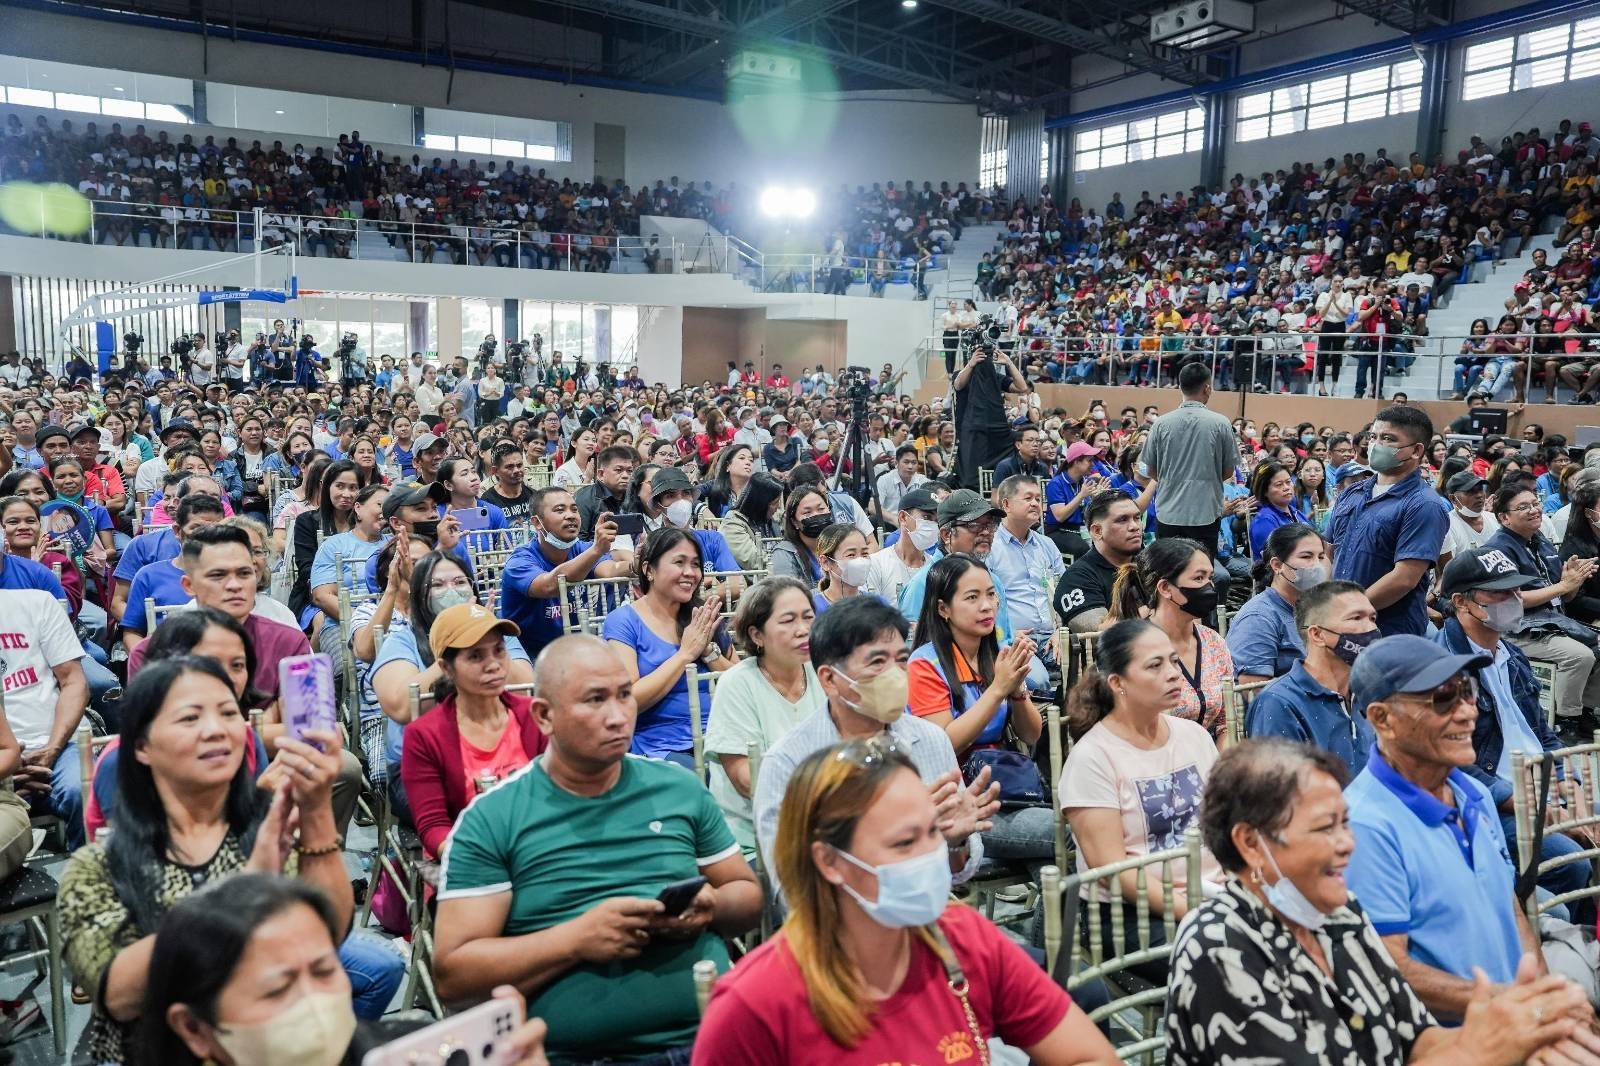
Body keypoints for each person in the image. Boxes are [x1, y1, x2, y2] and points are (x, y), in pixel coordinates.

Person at [1167, 738, 1600, 1066]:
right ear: (1250, 843)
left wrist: (1516, 1027)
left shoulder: (1338, 916)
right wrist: (1480, 1049)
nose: (1347, 845)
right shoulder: (1219, 944)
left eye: (1346, 824)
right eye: (1324, 829)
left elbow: (1418, 1038)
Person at [432, 634, 762, 1062]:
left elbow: (748, 896)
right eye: (595, 700)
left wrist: (710, 906)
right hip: (579, 1056)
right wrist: (574, 940)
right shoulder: (491, 819)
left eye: (625, 695)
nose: (617, 716)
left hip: (709, 1039)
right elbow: (453, 974)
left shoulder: (678, 788)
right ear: (544, 716)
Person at [695, 737, 1119, 1065]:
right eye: (903, 843)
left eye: (932, 833)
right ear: (829, 861)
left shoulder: (963, 940)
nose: (929, 856)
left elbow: (1089, 1054)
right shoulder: (754, 1005)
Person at [57, 656, 351, 1063]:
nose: (215, 730)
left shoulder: (262, 831)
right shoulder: (97, 867)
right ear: (142, 746)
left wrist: (316, 809)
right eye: (190, 718)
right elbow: (119, 994)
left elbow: (330, 931)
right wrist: (248, 885)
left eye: (228, 713)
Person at [1343, 634, 1552, 1021]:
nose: (1467, 712)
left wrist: (1544, 999)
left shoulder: (1472, 791)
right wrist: (1511, 1006)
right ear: (1381, 719)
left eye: (1467, 691)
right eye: (1442, 698)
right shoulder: (1364, 825)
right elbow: (1387, 965)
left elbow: (1509, 908)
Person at [142, 873, 553, 1066]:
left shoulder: (414, 1052)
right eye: (276, 990)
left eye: (324, 971)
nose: (316, 1002)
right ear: (194, 1029)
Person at [753, 595, 994, 888]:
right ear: (830, 679)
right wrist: (895, 836)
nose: (894, 675)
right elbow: (789, 884)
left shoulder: (930, 740)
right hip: (835, 926)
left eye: (901, 660)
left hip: (923, 911)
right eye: (877, 662)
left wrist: (953, 841)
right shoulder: (789, 761)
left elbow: (956, 873)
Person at [1061, 619, 1222, 979]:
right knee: (1233, 956)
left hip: (1210, 890)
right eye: (1155, 666)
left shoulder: (1193, 735)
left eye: (1174, 661)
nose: (1173, 674)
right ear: (1117, 683)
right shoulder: (1093, 758)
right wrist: (1192, 908)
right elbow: (1113, 874)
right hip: (1131, 911)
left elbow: (1222, 823)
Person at [1434, 545, 1592, 907]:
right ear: (1461, 602)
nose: (1514, 599)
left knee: (1589, 823)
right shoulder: (1442, 667)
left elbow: (1542, 732)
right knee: (1570, 861)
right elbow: (1451, 763)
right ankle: (1566, 948)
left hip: (1539, 784)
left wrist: (1569, 783)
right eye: (1500, 593)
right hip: (1491, 801)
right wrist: (1527, 803)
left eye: (1517, 590)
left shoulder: (1511, 654)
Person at [910, 554, 1054, 865]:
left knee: (1055, 865)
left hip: (1010, 791)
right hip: (960, 805)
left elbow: (1031, 734)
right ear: (943, 609)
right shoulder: (925, 665)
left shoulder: (996, 654)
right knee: (1073, 834)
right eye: (972, 598)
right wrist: (999, 688)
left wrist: (1016, 690)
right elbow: (945, 742)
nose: (987, 606)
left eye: (991, 594)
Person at [399, 602, 548, 858]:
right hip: (469, 858)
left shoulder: (533, 715)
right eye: (476, 656)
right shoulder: (424, 736)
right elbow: (433, 826)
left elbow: (558, 795)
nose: (493, 665)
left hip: (541, 850)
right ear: (446, 668)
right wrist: (477, 855)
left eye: (499, 651)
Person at [703, 577, 827, 858]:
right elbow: (748, 781)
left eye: (809, 617)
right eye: (788, 620)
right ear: (757, 635)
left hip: (824, 829)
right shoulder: (737, 684)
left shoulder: (824, 674)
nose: (803, 629)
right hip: (756, 839)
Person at [603, 527, 729, 765]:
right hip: (662, 745)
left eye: (695, 564)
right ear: (648, 570)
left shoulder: (702, 615)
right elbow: (628, 700)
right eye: (679, 562)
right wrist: (685, 655)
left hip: (722, 734)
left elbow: (742, 680)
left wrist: (709, 653)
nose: (690, 573)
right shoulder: (624, 621)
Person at [1482, 483, 1600, 732]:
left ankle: (1585, 709)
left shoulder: (1540, 541)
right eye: (1524, 507)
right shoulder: (1498, 549)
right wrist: (1562, 586)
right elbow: (1514, 600)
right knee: (1580, 656)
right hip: (1517, 628)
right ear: (1504, 517)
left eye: (1535, 503)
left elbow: (1565, 597)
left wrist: (1573, 582)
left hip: (1552, 620)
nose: (1534, 510)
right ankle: (1565, 720)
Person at [1325, 405, 1448, 637]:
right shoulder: (1354, 493)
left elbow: (1404, 578)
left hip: (1388, 630)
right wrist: (1324, 603)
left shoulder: (1424, 504)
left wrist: (1349, 610)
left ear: (1416, 450)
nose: (1375, 445)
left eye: (1387, 438)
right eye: (1373, 437)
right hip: (1337, 621)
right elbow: (1328, 552)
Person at [1244, 580, 1380, 774]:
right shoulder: (1279, 703)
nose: (1370, 628)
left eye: (1373, 618)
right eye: (1356, 618)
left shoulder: (1368, 691)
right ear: (1317, 634)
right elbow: (1279, 792)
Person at [1109, 538, 1234, 742]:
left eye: (1210, 577)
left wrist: (1219, 770)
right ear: (1166, 588)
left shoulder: (1213, 642)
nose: (1209, 587)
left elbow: (1225, 723)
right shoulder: (1132, 649)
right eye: (1199, 578)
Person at [499, 486, 627, 656]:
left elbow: (611, 571)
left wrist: (638, 564)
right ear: (537, 523)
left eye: (574, 509)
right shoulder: (519, 561)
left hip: (574, 649)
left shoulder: (584, 549)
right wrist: (596, 550)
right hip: (530, 656)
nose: (570, 515)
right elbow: (550, 586)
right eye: (560, 510)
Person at [1141, 365, 1238, 553]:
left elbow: (1151, 470)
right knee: (1200, 573)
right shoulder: (1221, 423)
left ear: (1180, 387)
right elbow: (1228, 472)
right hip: (1205, 514)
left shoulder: (1160, 423)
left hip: (1168, 513)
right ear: (1207, 388)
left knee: (1168, 572)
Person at [1226, 523, 1329, 682]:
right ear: (1277, 565)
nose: (1317, 565)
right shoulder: (1258, 618)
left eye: (1321, 557)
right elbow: (1254, 690)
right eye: (1306, 557)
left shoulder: (1318, 609)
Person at [1054, 490, 1143, 635]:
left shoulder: (1152, 563)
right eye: (1122, 520)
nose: (1135, 526)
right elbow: (1099, 633)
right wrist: (1153, 611)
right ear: (1096, 531)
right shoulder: (1077, 578)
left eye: (1137, 518)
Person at [952, 341, 1027, 492]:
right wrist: (971, 364)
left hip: (996, 429)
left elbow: (1022, 387)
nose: (984, 359)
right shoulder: (963, 373)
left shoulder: (995, 378)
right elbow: (958, 384)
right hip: (971, 429)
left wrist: (1009, 363)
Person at [863, 486, 939, 607]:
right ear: (903, 517)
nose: (933, 525)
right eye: (927, 517)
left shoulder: (936, 568)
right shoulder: (876, 564)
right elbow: (871, 615)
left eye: (937, 520)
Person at [767, 484, 833, 588]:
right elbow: (787, 595)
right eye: (807, 512)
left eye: (821, 509)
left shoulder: (840, 544)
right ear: (794, 522)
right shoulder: (785, 554)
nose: (816, 515)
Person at [719, 472, 783, 573]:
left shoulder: (771, 517)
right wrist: (786, 564)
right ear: (761, 504)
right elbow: (753, 561)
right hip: (754, 582)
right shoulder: (733, 524)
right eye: (775, 503)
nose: (778, 507)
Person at [1248, 461, 1311, 559]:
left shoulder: (1295, 512)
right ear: (1265, 491)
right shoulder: (1264, 520)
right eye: (1279, 484)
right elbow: (1275, 558)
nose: (1286, 487)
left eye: (1288, 482)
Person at [573, 444, 634, 540]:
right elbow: (577, 541)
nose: (626, 475)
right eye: (619, 470)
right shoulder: (585, 498)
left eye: (629, 471)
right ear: (601, 474)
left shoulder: (634, 497)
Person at [812, 523, 874, 615]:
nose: (860, 561)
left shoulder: (876, 605)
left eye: (864, 554)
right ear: (825, 562)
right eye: (851, 555)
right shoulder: (812, 608)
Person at [1441, 470, 1499, 566]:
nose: (1479, 495)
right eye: (1471, 492)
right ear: (1453, 499)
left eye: (1480, 489)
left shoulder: (1495, 519)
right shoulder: (1447, 526)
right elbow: (1446, 573)